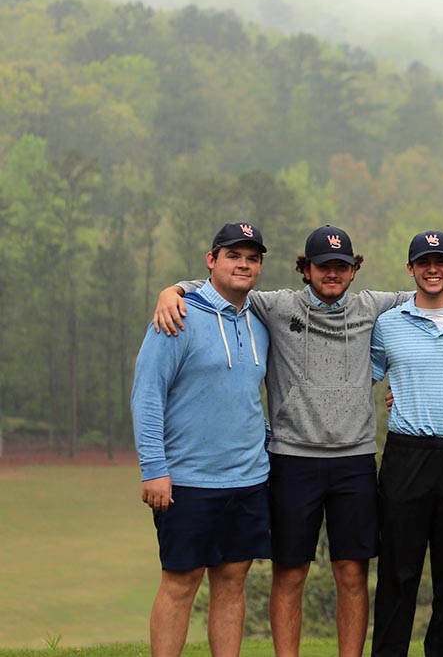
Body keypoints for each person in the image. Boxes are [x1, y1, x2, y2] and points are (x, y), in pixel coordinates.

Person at [151, 225, 443, 657]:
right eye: (323, 266)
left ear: (353, 270)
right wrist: (175, 290)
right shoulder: (275, 306)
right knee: (290, 572)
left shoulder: (374, 307)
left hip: (354, 460)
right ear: (306, 269)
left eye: (341, 266)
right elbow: (224, 288)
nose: (332, 274)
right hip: (291, 460)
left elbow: (435, 288)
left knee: (353, 573)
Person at [131, 222, 271, 657]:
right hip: (188, 482)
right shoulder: (176, 315)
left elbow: (247, 396)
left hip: (248, 480)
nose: (243, 264)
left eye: (252, 257)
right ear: (211, 261)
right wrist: (154, 469)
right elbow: (147, 395)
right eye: (233, 255)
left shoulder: (260, 323)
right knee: (180, 584)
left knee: (232, 582)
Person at [370, 230, 443, 657]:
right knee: (399, 571)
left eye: (440, 262)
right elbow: (372, 373)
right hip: (407, 456)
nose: (432, 269)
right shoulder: (388, 323)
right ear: (411, 269)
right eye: (424, 262)